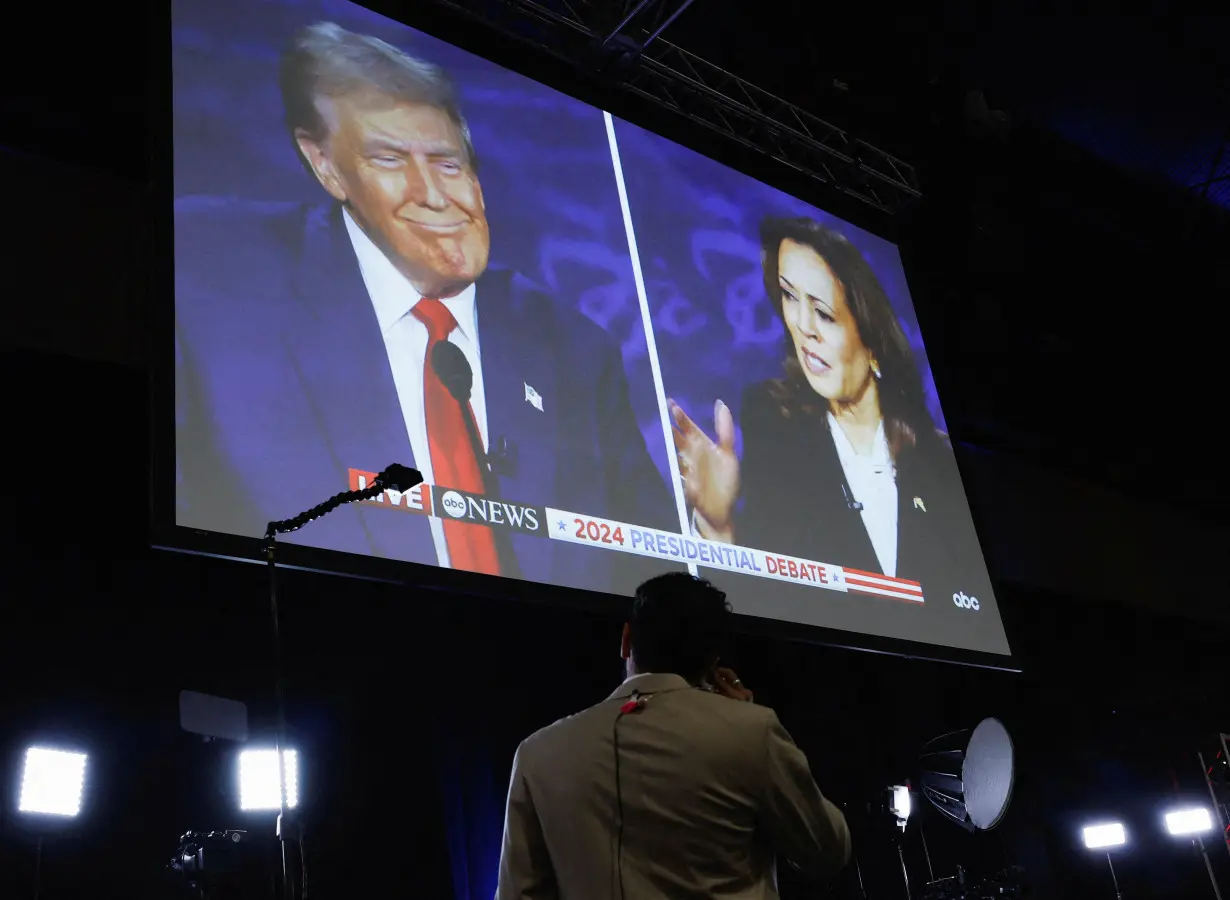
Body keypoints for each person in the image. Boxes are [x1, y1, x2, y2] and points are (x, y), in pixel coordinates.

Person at [174, 22, 678, 593]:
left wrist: (707, 535)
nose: (435, 195)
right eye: (389, 160)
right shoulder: (209, 287)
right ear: (326, 166)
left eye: (446, 162)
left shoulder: (575, 350)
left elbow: (649, 580)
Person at [669, 216, 986, 597]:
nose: (802, 326)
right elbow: (764, 599)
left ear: (871, 340)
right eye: (788, 296)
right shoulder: (772, 422)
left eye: (823, 313)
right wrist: (717, 526)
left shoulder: (938, 459)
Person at [496, 572, 851, 898]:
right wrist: (745, 719)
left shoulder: (537, 753)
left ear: (625, 640)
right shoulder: (751, 732)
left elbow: (518, 893)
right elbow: (825, 850)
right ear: (713, 660)